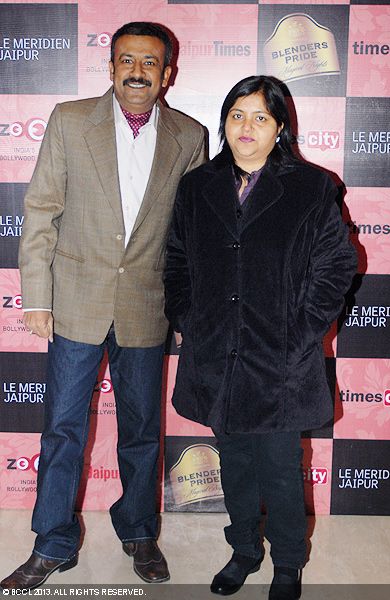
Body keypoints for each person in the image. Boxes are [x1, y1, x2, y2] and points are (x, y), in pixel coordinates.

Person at [1, 21, 205, 591]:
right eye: (126, 61)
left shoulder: (190, 136)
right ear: (111, 67)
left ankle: (139, 531)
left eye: (149, 63)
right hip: (74, 303)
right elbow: (40, 212)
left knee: (142, 430)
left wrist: (187, 314)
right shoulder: (70, 121)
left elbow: (190, 237)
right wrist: (36, 298)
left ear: (168, 73)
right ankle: (53, 543)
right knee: (62, 429)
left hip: (148, 307)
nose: (137, 72)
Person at [164, 75, 357, 599]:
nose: (246, 128)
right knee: (236, 465)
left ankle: (289, 563)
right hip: (217, 354)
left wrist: (304, 327)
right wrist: (187, 317)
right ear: (224, 121)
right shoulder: (197, 186)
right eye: (236, 116)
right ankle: (245, 549)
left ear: (280, 129)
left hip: (281, 361)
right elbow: (177, 261)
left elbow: (338, 264)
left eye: (260, 118)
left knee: (278, 468)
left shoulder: (313, 187)